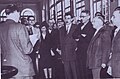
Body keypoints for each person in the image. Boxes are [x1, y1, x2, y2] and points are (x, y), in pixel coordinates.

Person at [0, 4, 35, 79]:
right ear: (15, 12)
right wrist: (32, 42)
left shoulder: (1, 27)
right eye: (19, 14)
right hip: (22, 68)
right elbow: (27, 50)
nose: (19, 16)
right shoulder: (20, 27)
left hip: (6, 67)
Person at [73, 10, 95, 79]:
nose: (81, 18)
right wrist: (82, 36)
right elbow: (74, 35)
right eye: (80, 16)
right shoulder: (79, 25)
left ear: (88, 17)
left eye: (83, 16)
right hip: (79, 51)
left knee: (86, 71)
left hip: (86, 52)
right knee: (79, 70)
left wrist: (79, 37)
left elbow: (89, 38)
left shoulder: (91, 26)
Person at [59, 12, 77, 79]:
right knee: (67, 73)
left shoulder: (76, 27)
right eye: (65, 18)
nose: (67, 20)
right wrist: (61, 53)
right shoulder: (61, 29)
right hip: (65, 54)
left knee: (75, 72)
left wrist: (76, 48)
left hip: (73, 53)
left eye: (69, 18)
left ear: (72, 19)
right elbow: (61, 42)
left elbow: (77, 40)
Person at [109, 6, 120, 78]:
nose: (111, 19)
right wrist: (110, 64)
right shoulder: (116, 31)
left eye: (114, 17)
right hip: (115, 66)